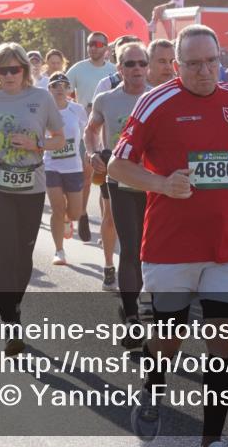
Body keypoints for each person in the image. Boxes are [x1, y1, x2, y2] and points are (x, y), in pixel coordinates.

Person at [108, 25, 228, 447]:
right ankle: (154, 381)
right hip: (171, 244)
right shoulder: (155, 102)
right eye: (194, 64)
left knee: (223, 341)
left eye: (212, 61)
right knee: (170, 337)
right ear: (177, 66)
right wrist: (161, 183)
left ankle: (211, 443)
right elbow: (118, 166)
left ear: (221, 58)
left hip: (227, 242)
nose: (205, 71)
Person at [0, 42, 64, 357]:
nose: (8, 75)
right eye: (1, 70)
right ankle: (11, 324)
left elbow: (59, 139)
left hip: (32, 183)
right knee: (6, 255)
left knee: (23, 255)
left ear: (24, 70)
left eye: (14, 69)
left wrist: (36, 144)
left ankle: (14, 306)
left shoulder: (41, 98)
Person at [88, 42, 150, 336]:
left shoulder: (158, 97)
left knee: (148, 250)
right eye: (130, 64)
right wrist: (93, 153)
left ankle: (142, 303)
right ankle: (132, 314)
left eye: (142, 63)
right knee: (130, 247)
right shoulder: (106, 99)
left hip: (154, 183)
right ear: (119, 68)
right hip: (119, 181)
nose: (137, 68)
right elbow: (90, 130)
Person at [66, 31, 118, 241]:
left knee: (106, 181)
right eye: (90, 44)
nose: (94, 47)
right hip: (85, 131)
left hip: (109, 132)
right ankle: (82, 215)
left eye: (98, 44)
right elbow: (63, 92)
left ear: (106, 48)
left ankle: (107, 223)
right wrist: (79, 110)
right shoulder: (78, 69)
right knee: (86, 178)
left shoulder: (114, 70)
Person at [42, 72, 87, 266]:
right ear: (49, 89)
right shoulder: (43, 111)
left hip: (73, 166)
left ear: (69, 89)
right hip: (51, 165)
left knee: (75, 213)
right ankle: (59, 250)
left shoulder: (77, 109)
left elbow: (86, 134)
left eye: (64, 85)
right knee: (57, 208)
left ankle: (67, 220)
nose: (60, 88)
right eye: (55, 85)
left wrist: (89, 154)